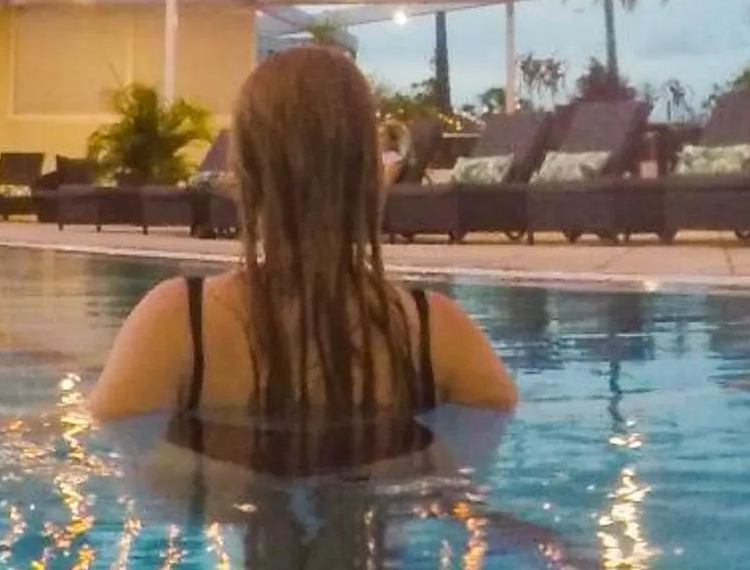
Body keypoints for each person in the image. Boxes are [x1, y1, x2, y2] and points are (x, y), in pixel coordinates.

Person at [89, 44, 516, 448]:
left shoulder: (175, 324)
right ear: (371, 175)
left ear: (245, 174)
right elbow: (464, 478)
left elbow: (133, 466)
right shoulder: (437, 333)